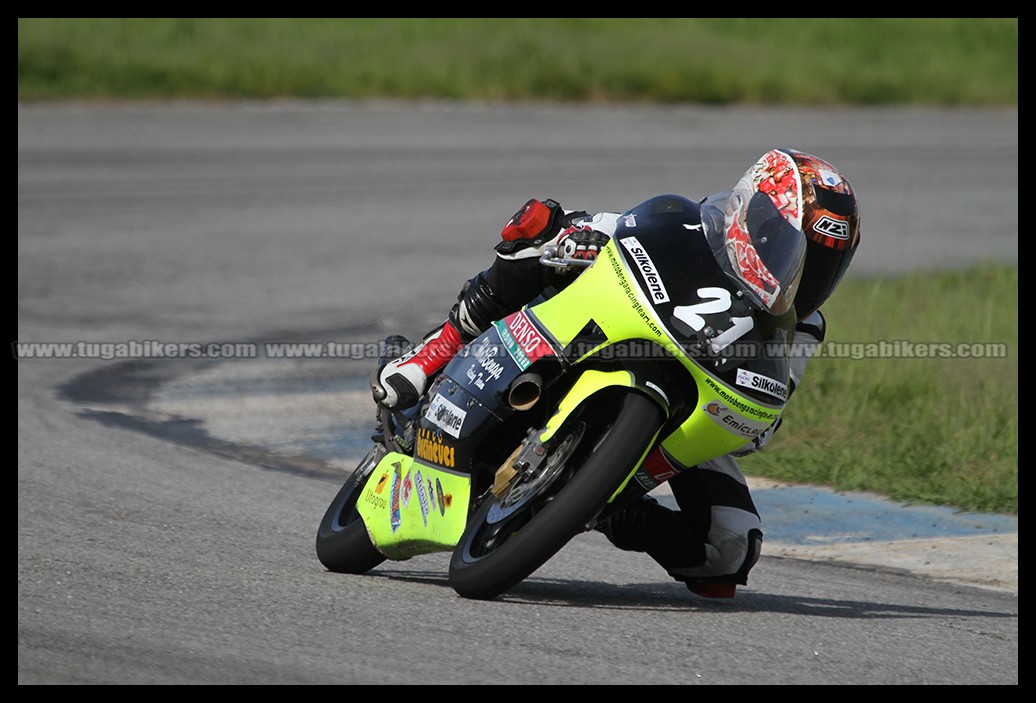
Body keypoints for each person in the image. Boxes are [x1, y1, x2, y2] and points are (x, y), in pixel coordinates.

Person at [370, 148, 861, 598]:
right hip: (607, 329)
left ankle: (602, 505)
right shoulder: (690, 226)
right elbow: (618, 227)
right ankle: (433, 353)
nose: (806, 271)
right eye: (797, 248)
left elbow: (764, 419)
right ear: (752, 216)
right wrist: (570, 235)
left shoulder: (803, 326)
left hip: (688, 408)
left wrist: (750, 415)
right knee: (537, 242)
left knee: (728, 552)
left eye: (825, 262)